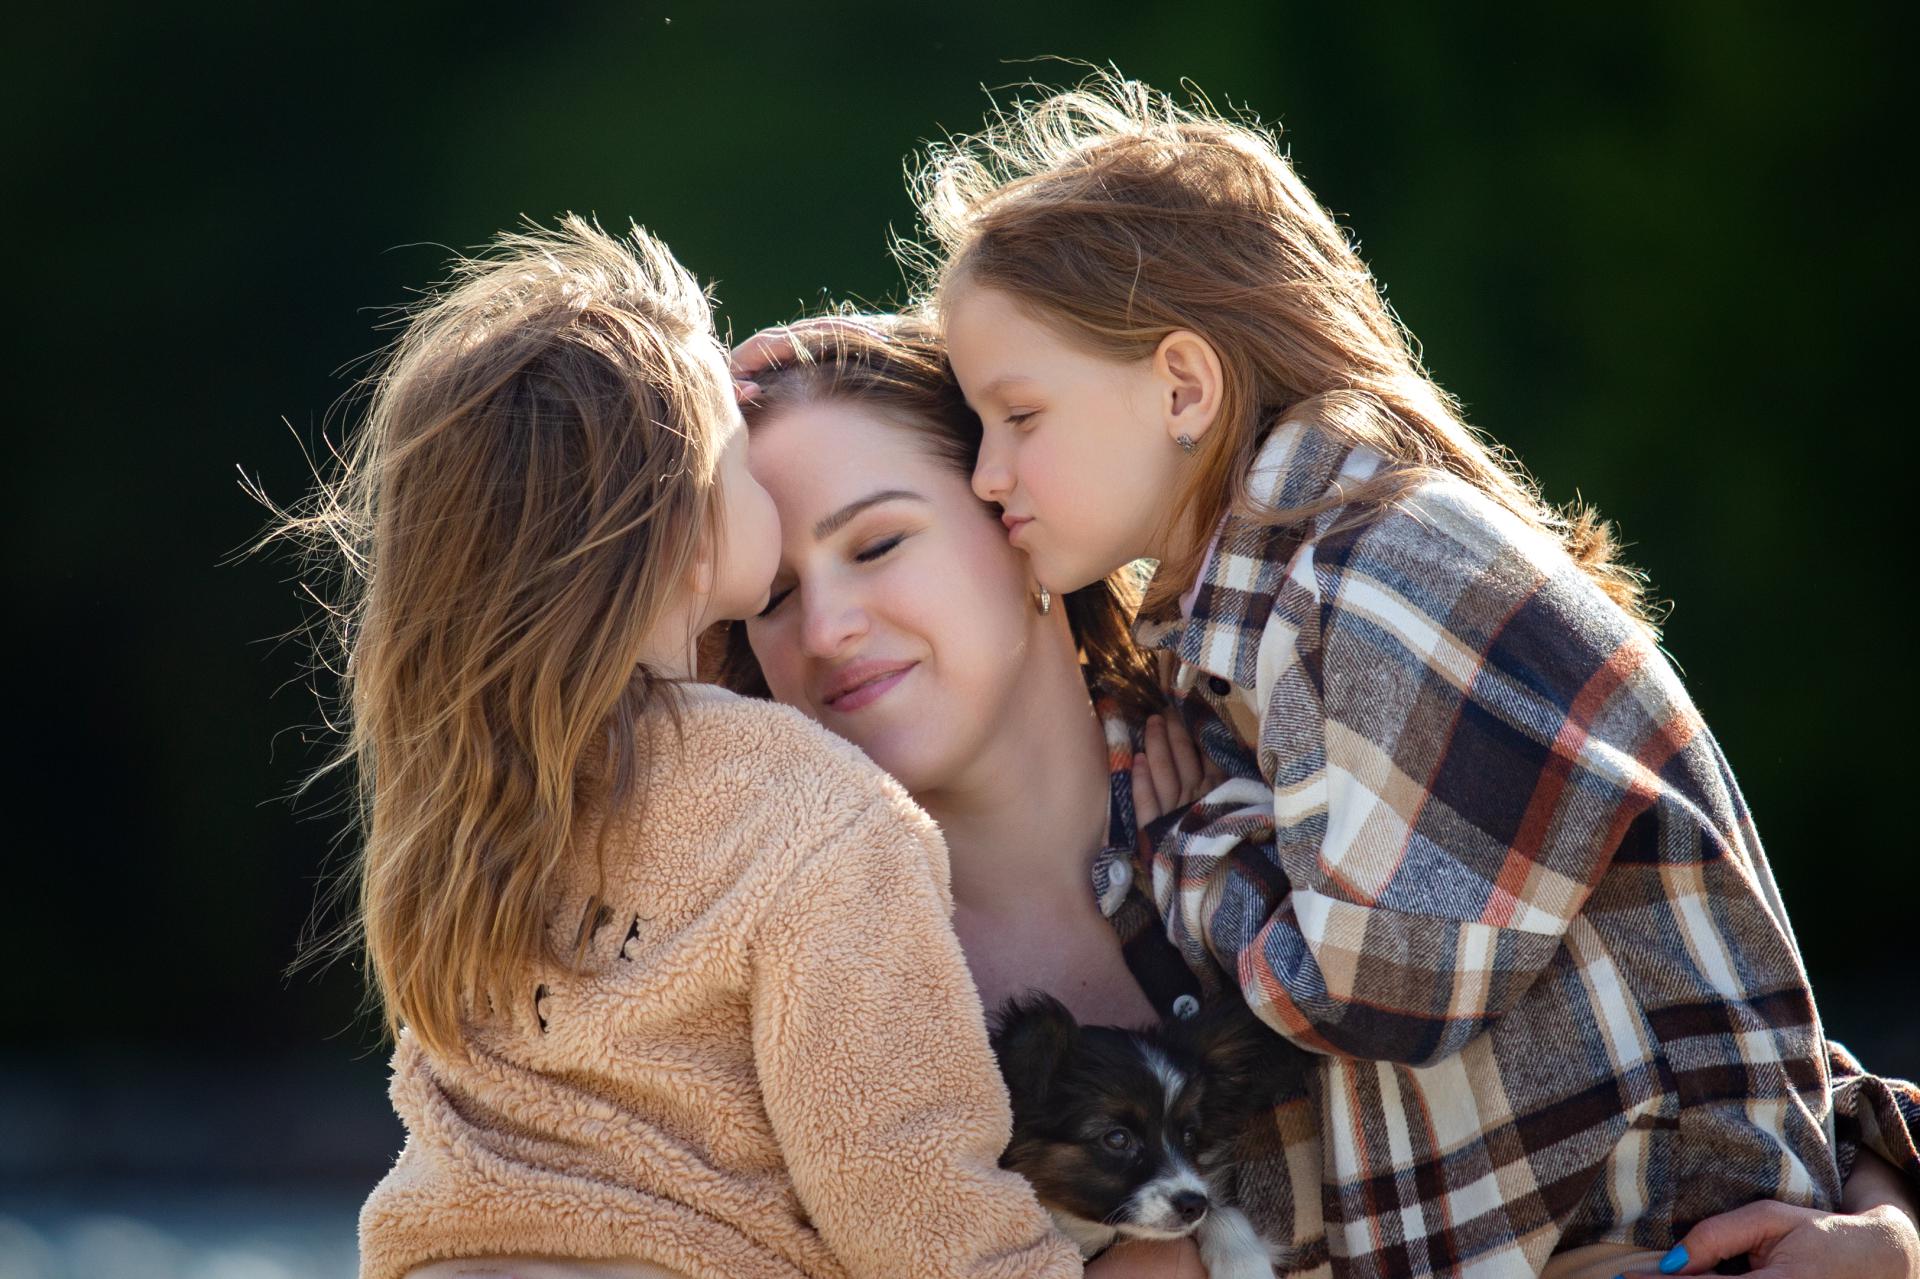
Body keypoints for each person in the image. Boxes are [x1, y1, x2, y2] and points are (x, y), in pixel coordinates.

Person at [895, 73, 1907, 1276]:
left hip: (1668, 1244)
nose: (989, 474)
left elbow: (1387, 989)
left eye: (1018, 416)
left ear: (1182, 384)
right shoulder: (1244, 636)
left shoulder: (1387, 568)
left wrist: (1190, 849)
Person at [723, 316, 1920, 1278]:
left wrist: (1883, 1213)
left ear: (1014, 516)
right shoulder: (799, 971)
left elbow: (1689, 1007)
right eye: (771, 595)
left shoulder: (1303, 748)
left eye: (878, 545)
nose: (825, 627)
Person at [270, 218, 1080, 1279]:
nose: (826, 621)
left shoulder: (468, 815)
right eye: (741, 459)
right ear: (685, 523)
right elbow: (909, 1192)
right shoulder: (815, 813)